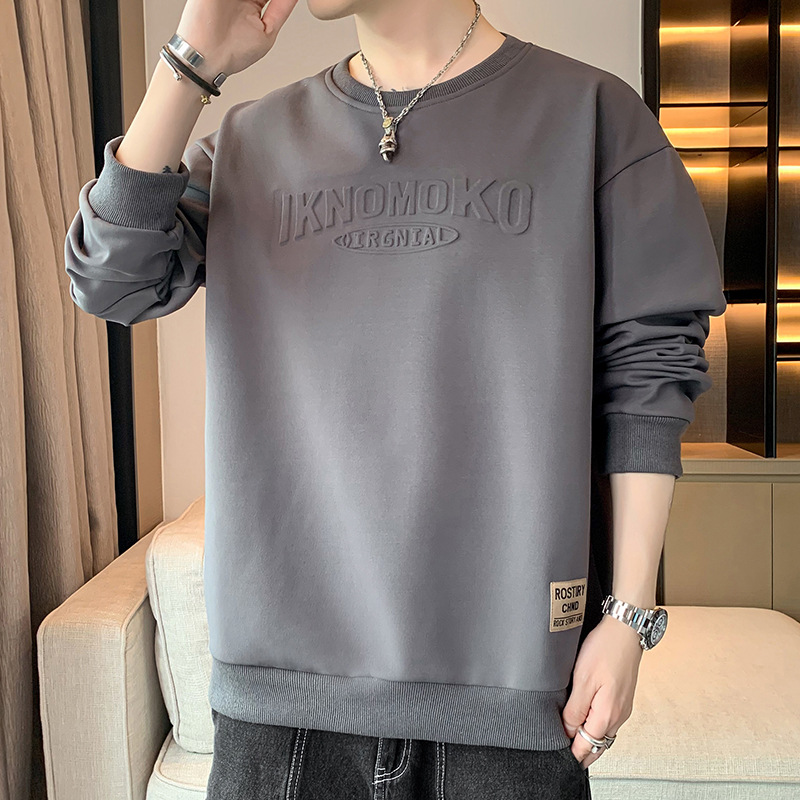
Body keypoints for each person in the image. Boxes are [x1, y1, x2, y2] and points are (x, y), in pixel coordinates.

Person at [63, 0, 727, 797]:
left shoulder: (591, 116)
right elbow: (110, 279)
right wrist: (190, 62)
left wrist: (629, 616)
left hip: (507, 706)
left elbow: (648, 377)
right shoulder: (252, 140)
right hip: (281, 718)